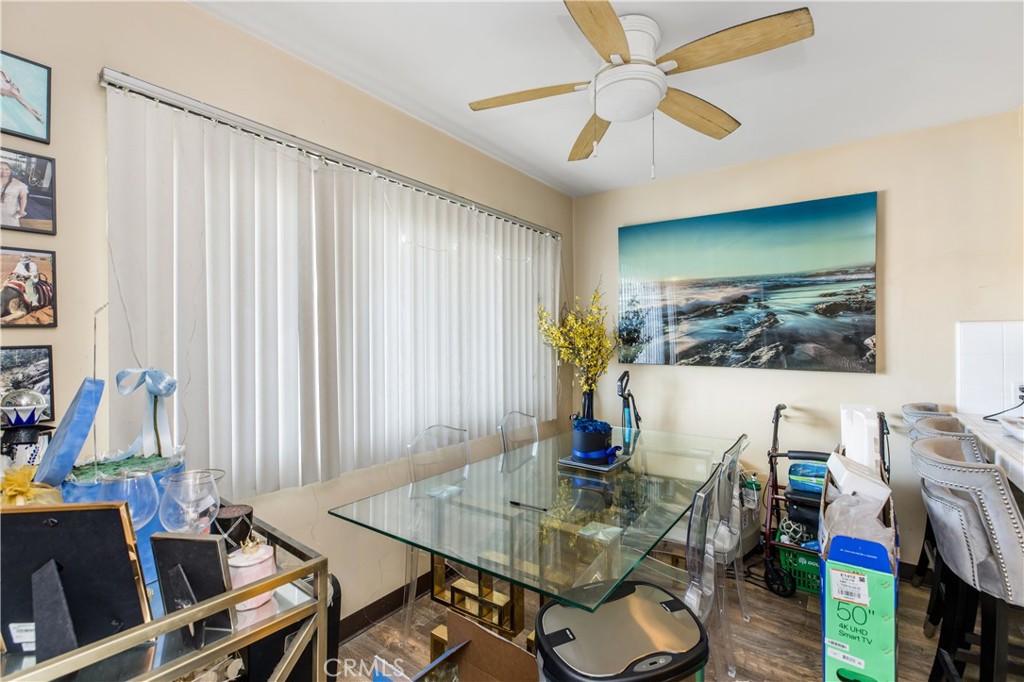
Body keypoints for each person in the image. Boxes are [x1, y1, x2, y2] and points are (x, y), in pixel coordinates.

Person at [0, 162, 29, 228]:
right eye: (1, 169)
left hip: (10, 213)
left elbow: (23, 198)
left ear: (10, 170)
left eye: (7, 169)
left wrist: (22, 210)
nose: (4, 171)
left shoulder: (19, 184)